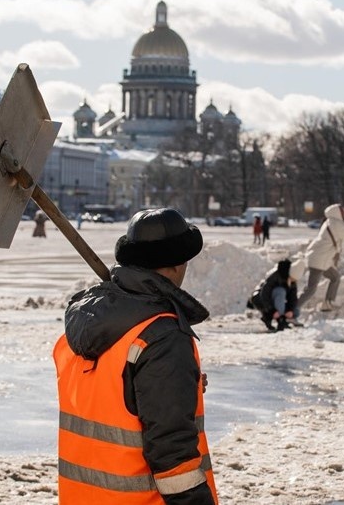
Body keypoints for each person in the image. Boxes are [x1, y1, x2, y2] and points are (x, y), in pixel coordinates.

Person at [55, 208, 218, 504]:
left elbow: (113, 395)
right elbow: (173, 456)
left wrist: (180, 382)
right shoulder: (162, 336)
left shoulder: (95, 319)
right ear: (178, 263)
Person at [298, 203, 344, 312]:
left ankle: (328, 303)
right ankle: (292, 311)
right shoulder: (336, 224)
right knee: (311, 289)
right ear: (338, 213)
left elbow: (343, 236)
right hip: (319, 260)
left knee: (335, 277)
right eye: (343, 212)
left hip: (321, 259)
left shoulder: (330, 222)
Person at [248, 258, 307, 332]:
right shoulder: (276, 275)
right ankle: (279, 320)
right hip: (261, 300)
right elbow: (264, 294)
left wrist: (290, 310)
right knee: (280, 291)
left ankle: (281, 318)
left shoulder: (292, 281)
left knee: (296, 312)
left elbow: (293, 297)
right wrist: (272, 311)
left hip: (277, 303)